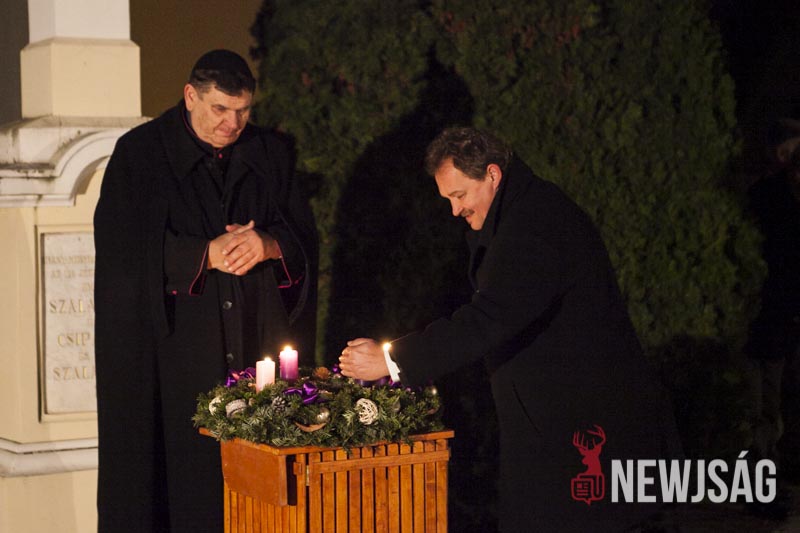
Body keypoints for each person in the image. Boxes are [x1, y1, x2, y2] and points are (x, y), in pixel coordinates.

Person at [339, 127, 682, 532]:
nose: (455, 211)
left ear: (492, 174)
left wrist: (392, 359)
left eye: (459, 195)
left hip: (582, 425)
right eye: (448, 200)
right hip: (552, 423)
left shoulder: (536, 224)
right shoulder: (516, 215)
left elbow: (489, 317)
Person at [94, 49, 316, 532]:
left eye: (243, 111)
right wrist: (204, 255)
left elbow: (303, 238)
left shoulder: (270, 153)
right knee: (182, 487)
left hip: (254, 342)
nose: (232, 124)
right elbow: (121, 251)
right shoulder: (139, 154)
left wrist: (268, 244)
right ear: (190, 96)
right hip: (176, 356)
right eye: (220, 109)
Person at [746, 118, 800, 489]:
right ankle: (766, 472)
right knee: (766, 400)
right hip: (770, 315)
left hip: (783, 315)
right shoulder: (768, 195)